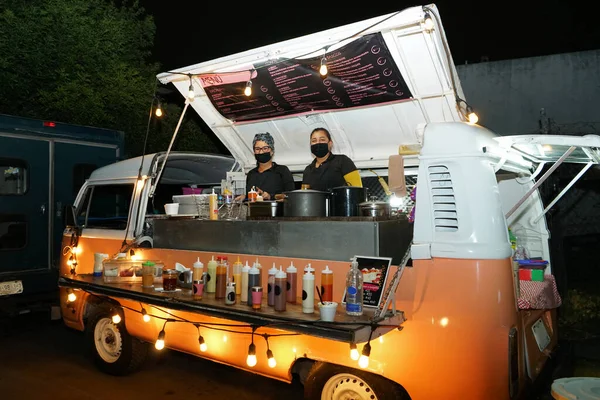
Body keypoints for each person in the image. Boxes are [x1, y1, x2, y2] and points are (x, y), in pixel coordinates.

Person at [236, 132, 295, 201]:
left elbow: (291, 196)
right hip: (255, 211)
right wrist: (245, 197)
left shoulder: (282, 171)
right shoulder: (251, 174)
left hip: (276, 211)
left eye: (265, 148)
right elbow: (252, 197)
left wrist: (270, 196)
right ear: (254, 152)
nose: (261, 152)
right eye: (257, 149)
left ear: (272, 151)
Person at [302, 127, 362, 191]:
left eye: (322, 140)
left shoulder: (343, 161)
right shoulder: (308, 170)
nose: (318, 143)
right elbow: (304, 195)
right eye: (314, 141)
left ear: (330, 143)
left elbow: (358, 190)